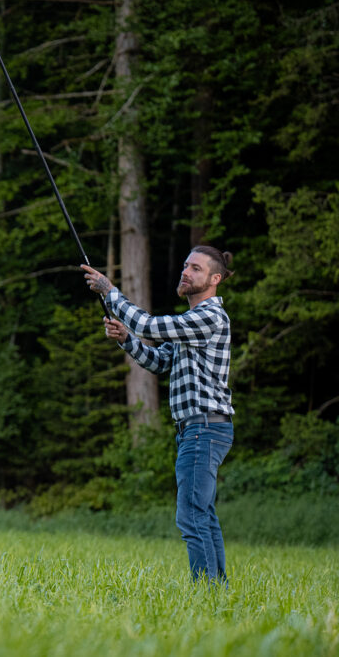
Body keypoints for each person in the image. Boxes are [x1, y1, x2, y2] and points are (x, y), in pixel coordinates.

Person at [81, 246, 235, 585]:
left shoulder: (209, 316)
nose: (185, 272)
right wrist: (126, 340)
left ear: (214, 279)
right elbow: (160, 361)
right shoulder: (191, 325)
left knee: (192, 515)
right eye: (185, 265)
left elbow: (149, 326)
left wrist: (110, 292)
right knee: (202, 514)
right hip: (199, 429)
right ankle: (217, 590)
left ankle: (207, 592)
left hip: (204, 427)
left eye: (195, 268)